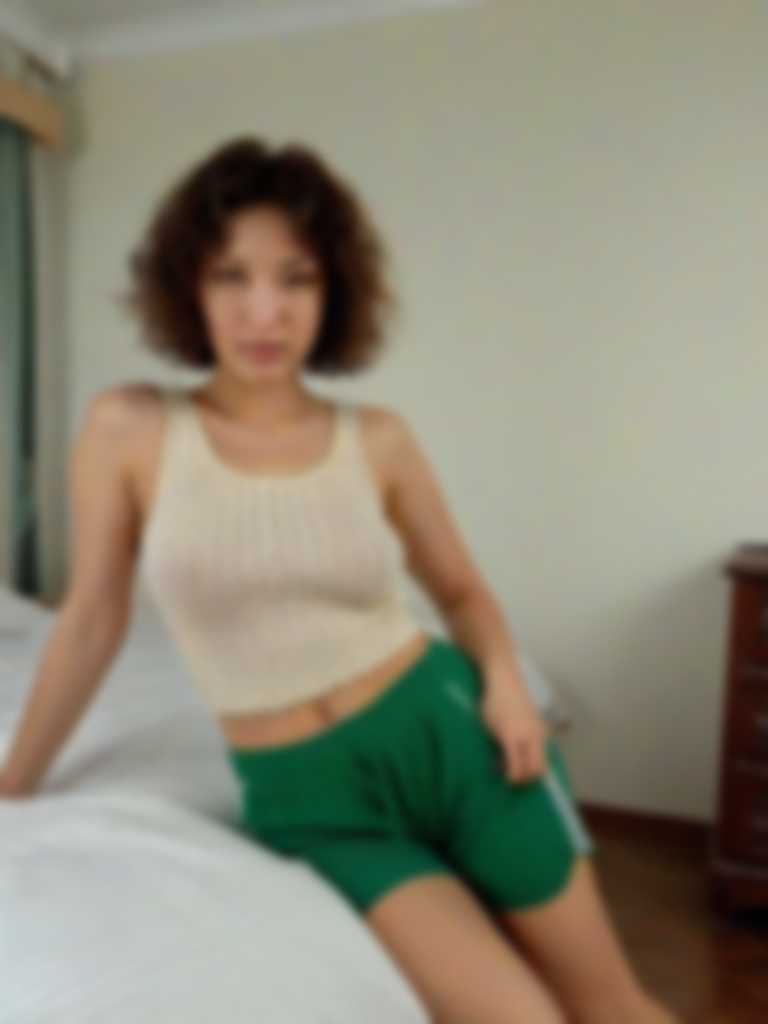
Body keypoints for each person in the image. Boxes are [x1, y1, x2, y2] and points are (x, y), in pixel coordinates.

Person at [0, 136, 680, 1024]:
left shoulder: (379, 439)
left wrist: (508, 686)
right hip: (311, 800)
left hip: (457, 741)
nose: (264, 312)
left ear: (334, 295)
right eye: (231, 277)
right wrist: (13, 784)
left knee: (611, 1006)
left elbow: (463, 593)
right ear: (188, 287)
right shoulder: (129, 428)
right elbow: (92, 620)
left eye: (298, 279)